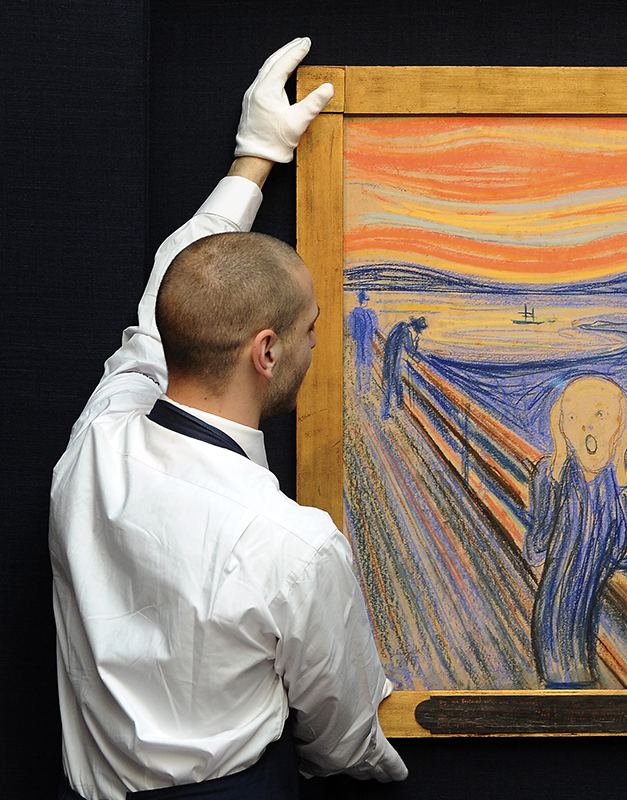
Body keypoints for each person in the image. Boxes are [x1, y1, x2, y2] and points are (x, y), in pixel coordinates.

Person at [50, 39, 408, 800]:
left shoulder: (96, 438)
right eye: (312, 329)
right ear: (267, 351)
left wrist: (256, 156)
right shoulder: (296, 546)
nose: (320, 344)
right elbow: (344, 739)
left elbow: (165, 303)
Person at [524, 376, 627, 687]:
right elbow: (535, 547)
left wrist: (620, 466)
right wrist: (556, 465)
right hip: (553, 616)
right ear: (561, 426)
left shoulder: (618, 484)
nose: (585, 426)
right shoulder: (551, 474)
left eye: (600, 414)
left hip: (598, 622)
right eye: (572, 416)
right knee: (560, 683)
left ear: (621, 424)